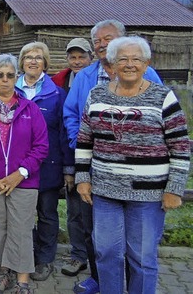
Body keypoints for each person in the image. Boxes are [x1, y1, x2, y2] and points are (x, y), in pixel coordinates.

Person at [75, 36, 190, 294]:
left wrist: (174, 188)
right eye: (123, 59)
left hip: (148, 193)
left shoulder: (163, 96)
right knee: (106, 253)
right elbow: (84, 139)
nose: (129, 64)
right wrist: (83, 177)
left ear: (146, 63)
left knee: (141, 258)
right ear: (112, 64)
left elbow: (181, 146)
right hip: (105, 191)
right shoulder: (97, 94)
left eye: (136, 59)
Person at [63, 19, 163, 294]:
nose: (102, 44)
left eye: (108, 38)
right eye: (97, 40)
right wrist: (79, 142)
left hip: (140, 176)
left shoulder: (150, 77)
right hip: (97, 168)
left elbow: (168, 128)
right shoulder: (86, 77)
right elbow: (73, 114)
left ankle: (134, 284)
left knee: (137, 244)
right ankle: (101, 280)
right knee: (98, 235)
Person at [0, 54, 48, 294]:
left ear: (16, 77)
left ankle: (23, 279)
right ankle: (1, 274)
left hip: (24, 182)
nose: (5, 80)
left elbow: (41, 146)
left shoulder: (30, 108)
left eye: (9, 75)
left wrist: (21, 173)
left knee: (21, 229)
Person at [15, 42, 73, 282]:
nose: (32, 61)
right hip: (17, 168)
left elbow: (64, 132)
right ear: (21, 62)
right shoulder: (9, 91)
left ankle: (45, 259)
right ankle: (22, 258)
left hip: (48, 165)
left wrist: (68, 168)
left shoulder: (57, 94)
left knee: (47, 214)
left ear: (45, 63)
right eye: (28, 57)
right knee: (21, 216)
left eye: (38, 57)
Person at [52, 38, 92, 277]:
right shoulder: (60, 83)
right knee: (75, 210)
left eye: (81, 57)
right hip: (72, 153)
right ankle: (79, 255)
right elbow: (62, 125)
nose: (77, 61)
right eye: (73, 57)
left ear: (90, 57)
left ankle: (101, 257)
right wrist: (68, 166)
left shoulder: (98, 80)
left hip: (99, 156)